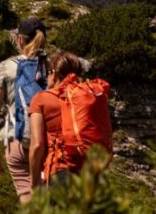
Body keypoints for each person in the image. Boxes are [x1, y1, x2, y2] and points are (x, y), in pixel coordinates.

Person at [0, 18, 48, 203]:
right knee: (49, 200)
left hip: (19, 140)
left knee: (28, 199)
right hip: (47, 142)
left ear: (20, 40)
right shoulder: (53, 67)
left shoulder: (6, 67)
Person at [28, 52, 111, 187]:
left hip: (59, 172)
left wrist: (33, 183)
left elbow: (37, 145)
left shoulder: (41, 99)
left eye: (48, 72)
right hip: (90, 176)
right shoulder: (88, 98)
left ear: (54, 73)